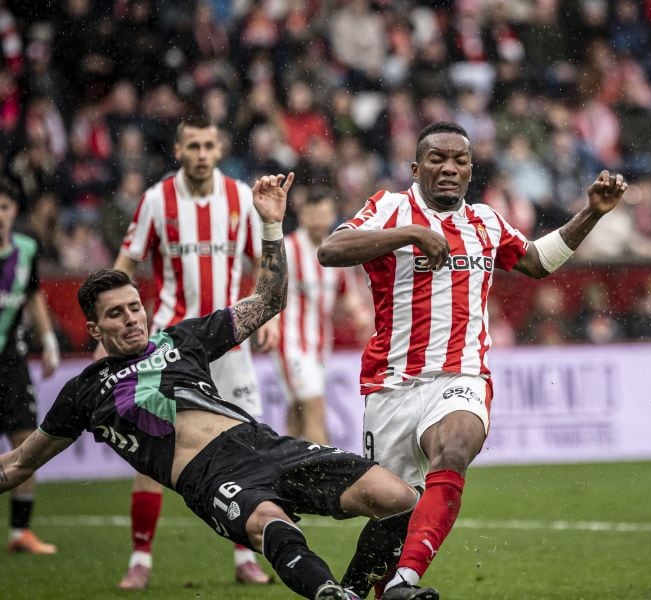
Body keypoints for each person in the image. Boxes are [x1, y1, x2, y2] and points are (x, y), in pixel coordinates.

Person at [0, 172, 422, 600]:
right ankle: (329, 593)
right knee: (270, 525)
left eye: (134, 308)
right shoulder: (84, 391)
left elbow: (268, 302)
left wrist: (272, 225)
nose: (131, 319)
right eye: (116, 315)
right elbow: (17, 464)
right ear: (94, 327)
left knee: (400, 498)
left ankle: (352, 589)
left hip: (263, 444)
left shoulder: (182, 339)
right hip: (209, 474)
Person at [318, 121, 627, 599]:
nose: (449, 168)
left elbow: (537, 262)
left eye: (459, 160)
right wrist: (408, 235)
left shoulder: (485, 220)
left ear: (470, 169)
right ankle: (359, 589)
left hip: (462, 375)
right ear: (415, 168)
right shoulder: (388, 207)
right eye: (437, 159)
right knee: (394, 513)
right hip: (392, 384)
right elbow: (331, 249)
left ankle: (406, 579)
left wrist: (592, 212)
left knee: (456, 447)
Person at [107, 115, 280, 588]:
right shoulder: (156, 201)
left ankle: (245, 558)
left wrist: (267, 316)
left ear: (218, 149)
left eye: (209, 145)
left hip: (229, 342)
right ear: (178, 151)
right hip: (168, 345)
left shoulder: (241, 198)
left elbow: (263, 260)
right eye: (194, 146)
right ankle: (140, 560)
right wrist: (113, 319)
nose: (202, 153)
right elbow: (126, 262)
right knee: (153, 449)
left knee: (243, 449)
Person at [274, 187, 371, 444]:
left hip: (320, 346)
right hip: (290, 344)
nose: (320, 219)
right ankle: (326, 478)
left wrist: (362, 315)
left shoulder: (334, 251)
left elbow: (346, 291)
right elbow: (266, 290)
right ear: (303, 215)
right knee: (315, 407)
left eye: (325, 213)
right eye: (314, 213)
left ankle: (275, 471)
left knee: (297, 414)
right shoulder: (288, 249)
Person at [0, 179, 59, 554]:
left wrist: (49, 339)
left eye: (4, 206)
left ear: (15, 211)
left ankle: (20, 532)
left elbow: (34, 295)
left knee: (26, 440)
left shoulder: (26, 248)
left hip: (10, 359)